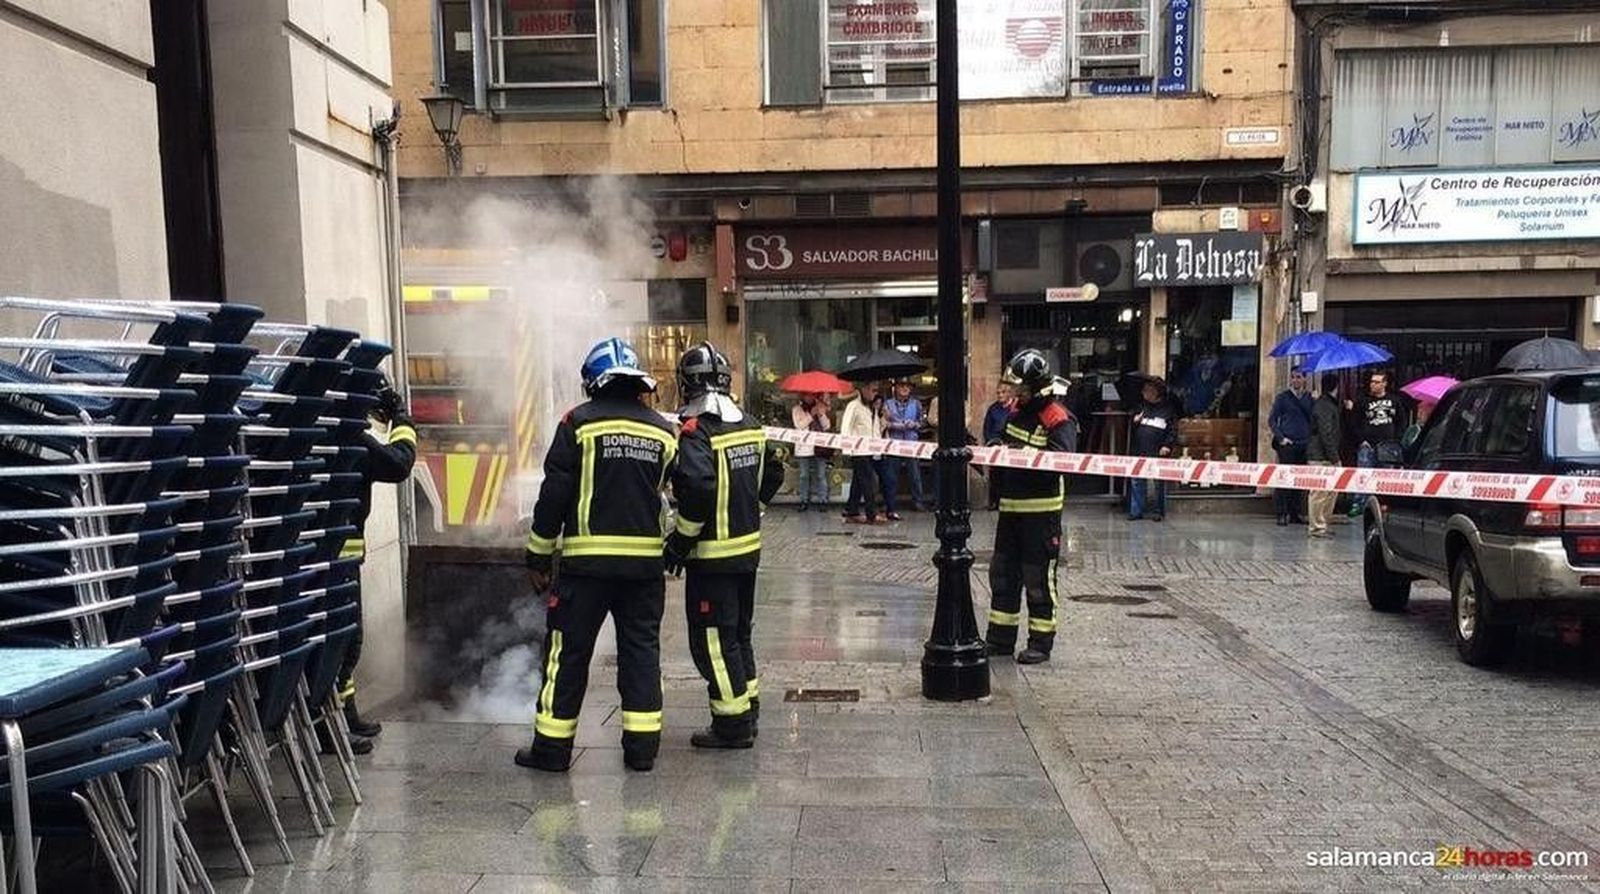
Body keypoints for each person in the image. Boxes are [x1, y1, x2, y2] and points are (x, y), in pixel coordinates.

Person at [518, 337, 676, 773]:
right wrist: (680, 542)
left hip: (585, 569)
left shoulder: (577, 424)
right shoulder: (663, 431)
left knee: (567, 654)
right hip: (644, 569)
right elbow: (686, 491)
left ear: (593, 382)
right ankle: (642, 751)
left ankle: (552, 752)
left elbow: (554, 495)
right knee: (641, 653)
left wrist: (537, 555)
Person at [666, 343, 783, 749]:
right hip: (747, 553)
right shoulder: (750, 425)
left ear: (688, 384)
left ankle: (731, 725)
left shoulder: (698, 433)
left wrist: (680, 541)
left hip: (712, 559)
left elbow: (697, 489)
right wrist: (754, 508)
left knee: (713, 641)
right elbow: (774, 473)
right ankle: (747, 707)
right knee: (739, 635)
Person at [331, 375, 417, 755]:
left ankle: (345, 714)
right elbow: (399, 464)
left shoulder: (321, 431)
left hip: (330, 559)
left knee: (345, 644)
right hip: (336, 562)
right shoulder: (350, 439)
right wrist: (402, 420)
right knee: (342, 645)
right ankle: (331, 727)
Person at [984, 349, 1078, 665]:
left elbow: (1061, 461)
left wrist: (1021, 455)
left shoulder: (1057, 417)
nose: (1016, 394)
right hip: (1011, 509)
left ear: (1035, 388)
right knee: (1003, 576)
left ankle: (1041, 642)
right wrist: (995, 447)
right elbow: (998, 438)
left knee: (1037, 579)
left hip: (1041, 512)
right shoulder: (1015, 412)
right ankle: (999, 640)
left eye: (1021, 389)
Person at [1348, 370, 1408, 517]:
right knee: (1363, 474)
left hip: (1388, 445)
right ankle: (1359, 504)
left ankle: (1384, 503)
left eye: (1376, 382)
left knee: (1386, 476)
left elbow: (1402, 421)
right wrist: (1361, 440)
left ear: (1384, 384)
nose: (1372, 385)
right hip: (1368, 446)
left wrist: (1396, 439)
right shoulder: (1363, 401)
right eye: (1371, 382)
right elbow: (1354, 422)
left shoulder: (1394, 401)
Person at [1268, 366, 1315, 526]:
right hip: (1288, 443)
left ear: (1304, 379)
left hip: (1303, 443)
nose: (1296, 380)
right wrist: (1281, 438)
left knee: (1298, 480)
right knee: (1284, 478)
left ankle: (1296, 512)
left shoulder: (1309, 398)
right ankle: (1282, 512)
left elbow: (1313, 419)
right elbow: (1272, 420)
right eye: (1293, 377)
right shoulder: (1283, 398)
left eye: (1299, 377)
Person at [1128, 377, 1177, 522]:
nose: (1144, 393)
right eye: (1144, 390)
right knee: (1137, 481)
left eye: (1148, 390)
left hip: (1158, 451)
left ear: (1156, 392)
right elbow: (1133, 425)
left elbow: (1173, 430)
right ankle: (1136, 511)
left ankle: (1158, 511)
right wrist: (1135, 421)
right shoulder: (1141, 407)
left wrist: (1167, 445)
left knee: (1158, 483)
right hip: (1139, 449)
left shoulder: (1168, 409)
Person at [881, 379, 928, 518]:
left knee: (915, 474)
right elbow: (884, 423)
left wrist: (914, 425)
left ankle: (918, 501)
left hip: (911, 444)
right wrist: (897, 425)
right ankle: (889, 503)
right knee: (891, 475)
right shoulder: (887, 404)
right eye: (902, 386)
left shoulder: (916, 404)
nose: (905, 388)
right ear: (895, 388)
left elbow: (923, 422)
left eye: (907, 386)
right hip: (893, 444)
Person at [840, 381, 885, 524]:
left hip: (870, 450)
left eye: (876, 390)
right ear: (864, 389)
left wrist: (878, 449)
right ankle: (871, 513)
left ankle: (851, 510)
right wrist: (846, 449)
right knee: (868, 481)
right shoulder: (853, 406)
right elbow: (846, 427)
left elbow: (875, 429)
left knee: (858, 482)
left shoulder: (873, 408)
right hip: (858, 451)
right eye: (872, 390)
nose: (874, 393)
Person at [1307, 373, 1343, 538]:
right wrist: (1335, 458)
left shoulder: (1329, 404)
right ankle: (1316, 527)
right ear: (1337, 386)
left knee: (1331, 491)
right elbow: (1325, 433)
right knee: (1319, 491)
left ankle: (1323, 523)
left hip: (1325, 455)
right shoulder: (1324, 405)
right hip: (1320, 456)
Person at [790, 393, 831, 511]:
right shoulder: (797, 409)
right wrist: (811, 414)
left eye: (812, 395)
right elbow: (799, 425)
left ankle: (823, 500)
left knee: (821, 475)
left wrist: (821, 414)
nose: (810, 397)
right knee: (804, 475)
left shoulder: (820, 406)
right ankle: (803, 499)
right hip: (804, 448)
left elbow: (827, 426)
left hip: (819, 447)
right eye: (807, 395)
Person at [982, 382, 1017, 510]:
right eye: (998, 393)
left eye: (1002, 392)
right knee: (995, 475)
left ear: (1009, 393)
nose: (1000, 395)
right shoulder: (993, 409)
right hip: (995, 445)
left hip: (1010, 445)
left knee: (1009, 475)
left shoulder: (1015, 408)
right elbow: (987, 428)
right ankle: (994, 501)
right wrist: (992, 442)